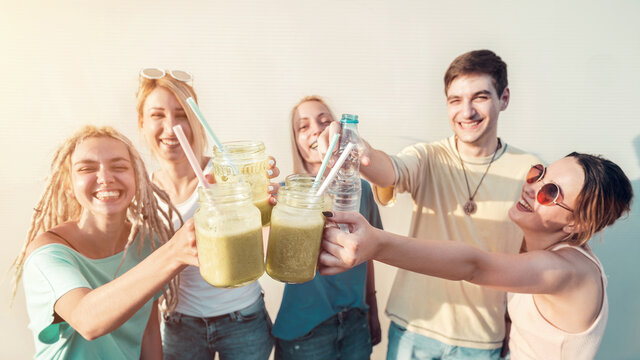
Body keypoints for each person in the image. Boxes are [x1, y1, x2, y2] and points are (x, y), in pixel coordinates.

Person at [318, 49, 542, 359]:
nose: (467, 112)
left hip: (482, 339)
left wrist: (513, 324)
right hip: (414, 328)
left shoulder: (531, 171)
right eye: (455, 100)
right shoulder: (429, 156)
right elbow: (390, 168)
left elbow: (530, 258)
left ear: (503, 98)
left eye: (479, 97)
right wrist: (359, 150)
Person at [319, 153, 633, 360]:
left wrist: (375, 243)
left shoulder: (569, 270)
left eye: (549, 192)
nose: (531, 186)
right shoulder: (542, 250)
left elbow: (473, 265)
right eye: (539, 173)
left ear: (576, 223)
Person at [11, 125, 199, 359]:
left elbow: (149, 333)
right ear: (68, 186)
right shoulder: (47, 255)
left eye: (119, 167)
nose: (106, 178)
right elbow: (87, 320)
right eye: (87, 168)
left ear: (137, 179)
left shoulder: (148, 245)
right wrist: (173, 253)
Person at [136, 68, 279, 360]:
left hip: (243, 320)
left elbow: (263, 235)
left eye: (180, 113)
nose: (170, 126)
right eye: (157, 115)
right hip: (178, 324)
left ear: (196, 119)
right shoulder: (141, 195)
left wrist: (264, 198)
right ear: (141, 123)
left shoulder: (225, 176)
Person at [271, 96, 383, 360]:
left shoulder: (361, 190)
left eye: (324, 121)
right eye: (303, 126)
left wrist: (372, 307)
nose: (316, 130)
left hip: (356, 321)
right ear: (296, 141)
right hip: (305, 330)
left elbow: (369, 255)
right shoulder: (287, 197)